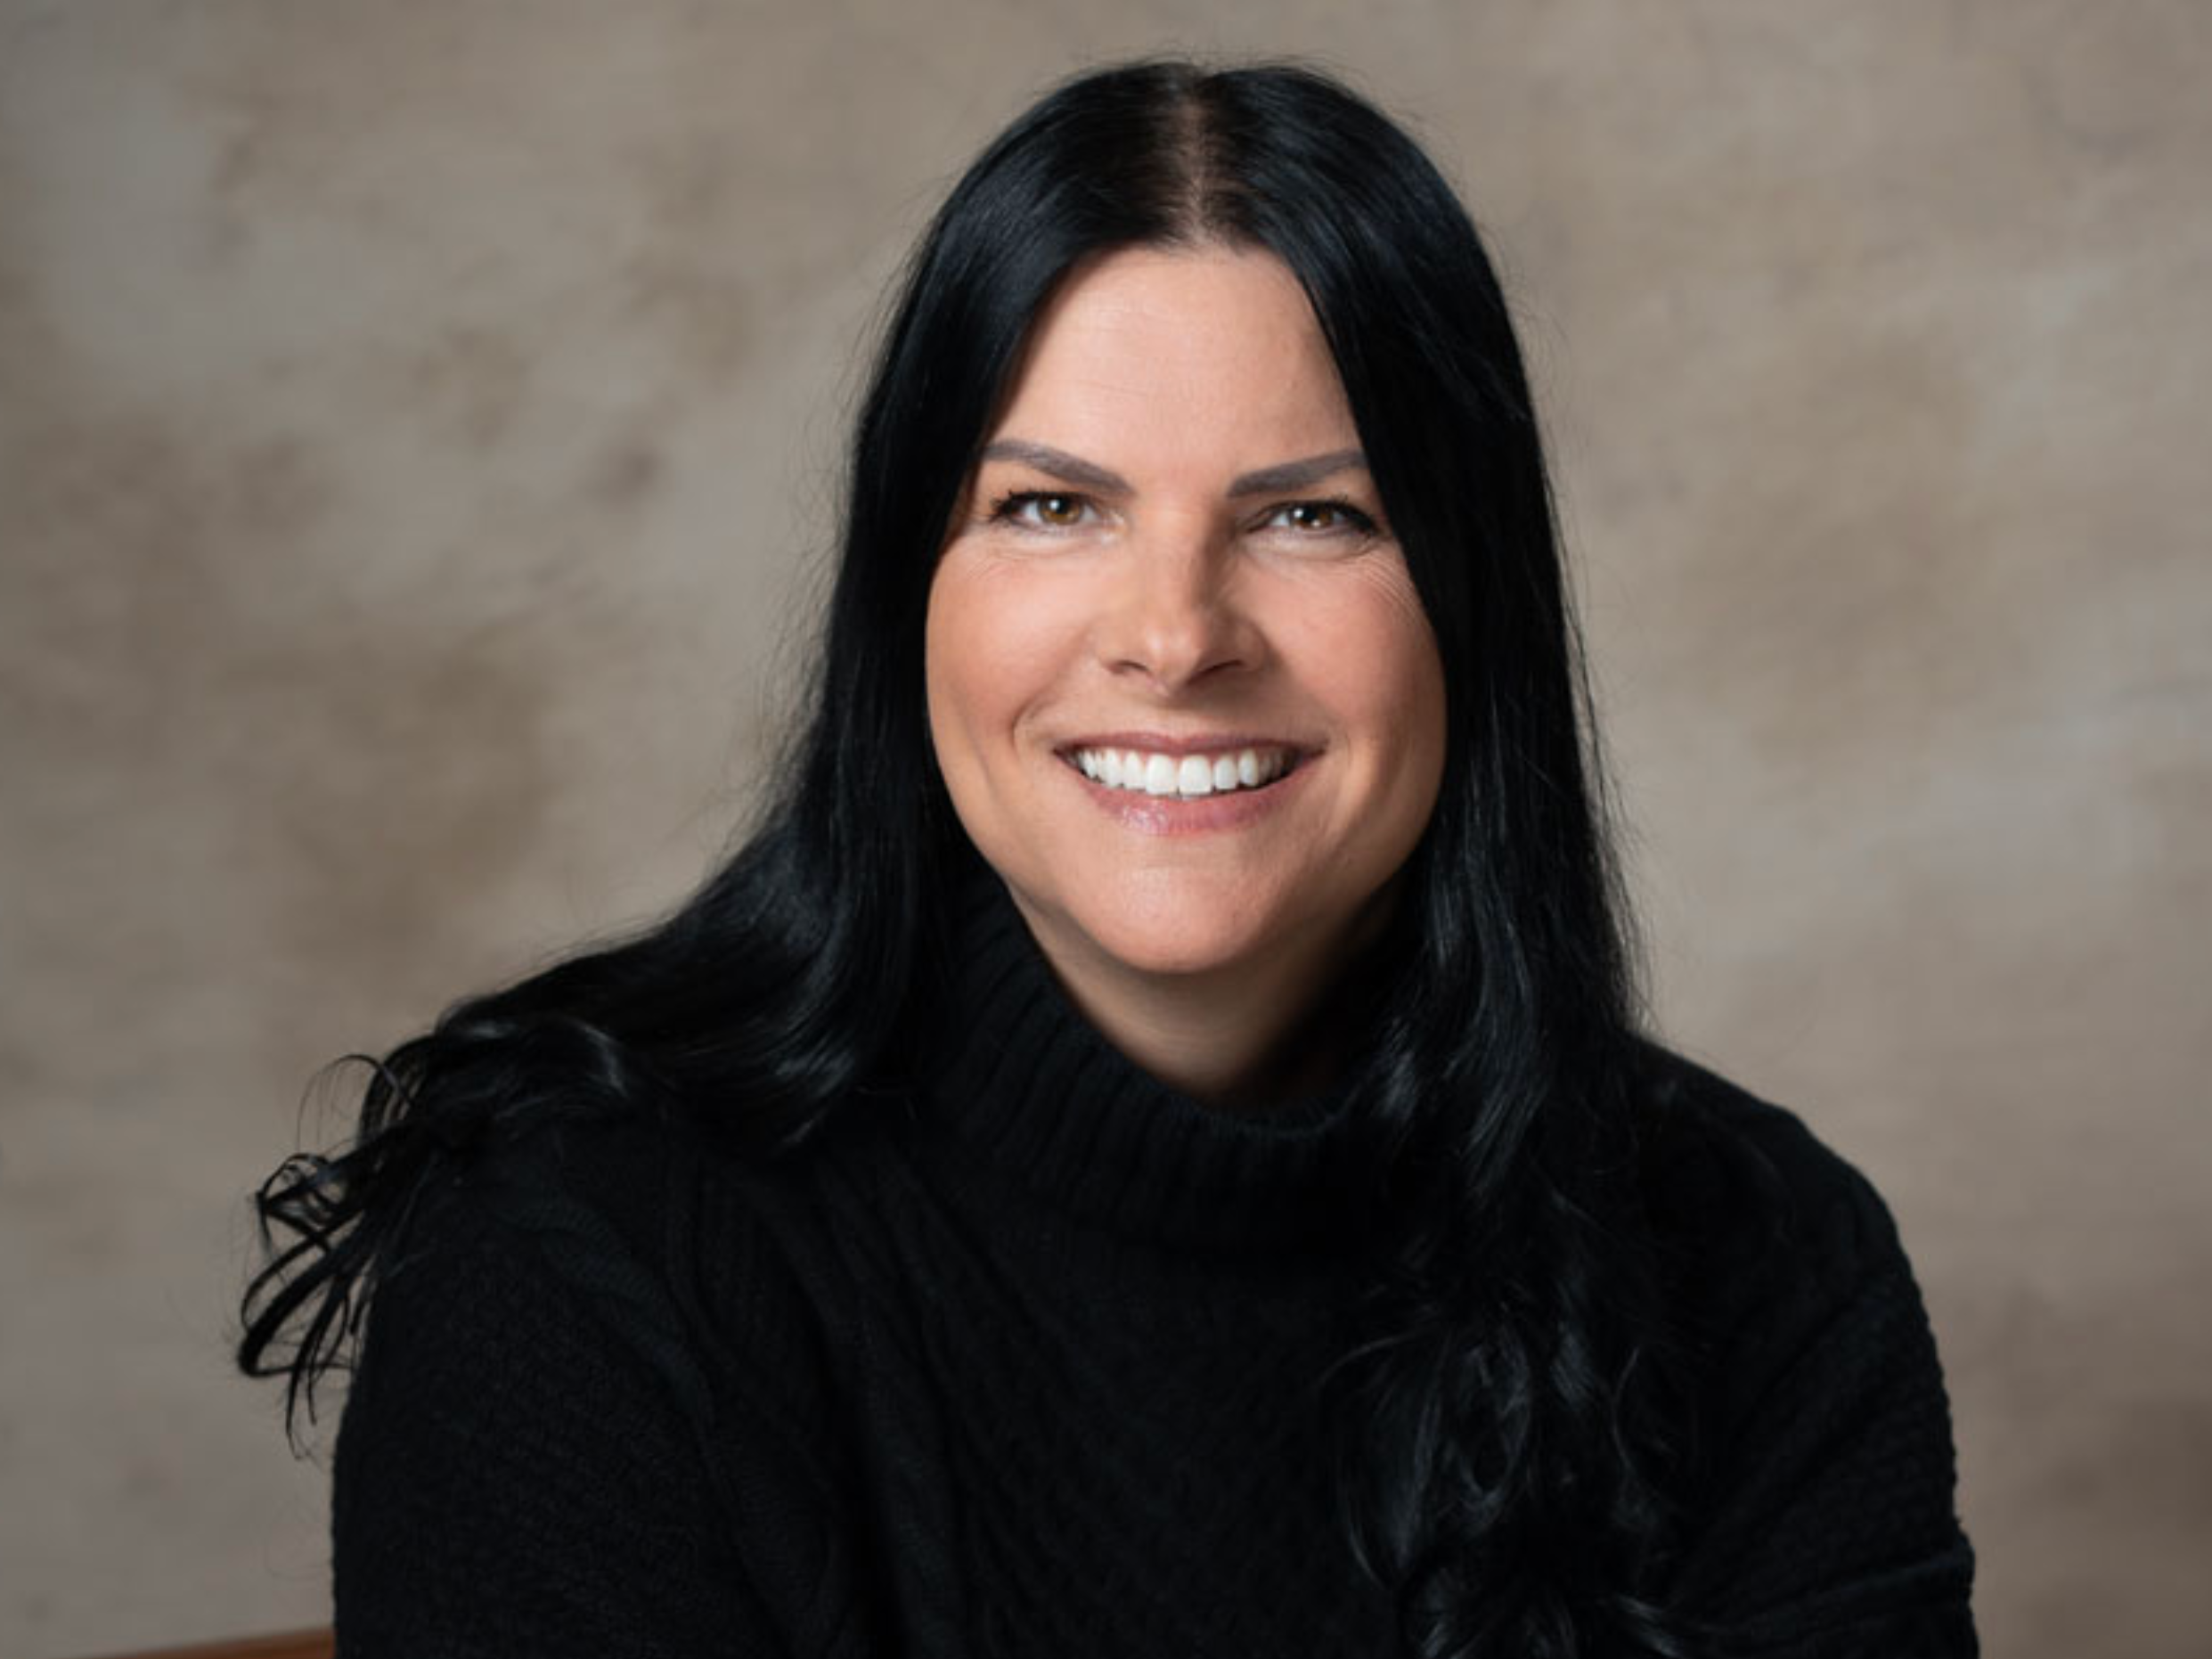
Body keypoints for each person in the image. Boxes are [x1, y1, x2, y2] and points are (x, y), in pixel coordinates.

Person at [240, 58, 1978, 1658]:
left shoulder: (1757, 1259)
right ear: (903, 597)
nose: (1172, 633)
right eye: (1048, 506)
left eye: (1311, 513)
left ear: (1472, 605)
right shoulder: (583, 1256)